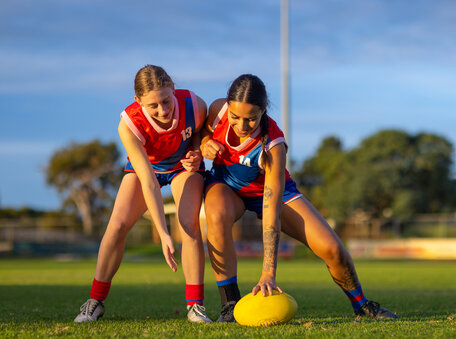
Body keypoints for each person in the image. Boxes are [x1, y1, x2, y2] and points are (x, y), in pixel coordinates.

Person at [200, 74, 398, 322]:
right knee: (216, 215)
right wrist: (205, 142)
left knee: (333, 248)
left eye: (251, 119)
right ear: (227, 106)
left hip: (272, 195)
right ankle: (230, 305)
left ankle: (362, 305)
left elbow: (271, 209)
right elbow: (201, 134)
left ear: (263, 111)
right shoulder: (218, 109)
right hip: (226, 186)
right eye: (235, 117)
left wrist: (268, 273)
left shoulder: (273, 144)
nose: (242, 126)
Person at [74, 65, 212, 323]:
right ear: (138, 101)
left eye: (166, 100)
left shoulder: (194, 103)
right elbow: (148, 181)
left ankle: (195, 306)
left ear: (173, 88)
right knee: (117, 226)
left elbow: (202, 130)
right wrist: (162, 234)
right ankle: (95, 301)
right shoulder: (128, 125)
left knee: (189, 224)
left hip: (182, 166)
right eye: (153, 105)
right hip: (147, 169)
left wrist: (197, 151)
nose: (162, 110)